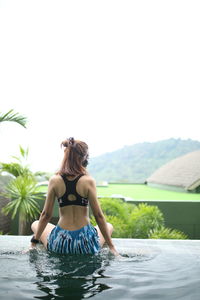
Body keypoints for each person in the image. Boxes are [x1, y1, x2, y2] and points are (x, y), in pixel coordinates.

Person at [30, 137, 119, 256]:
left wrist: (33, 244)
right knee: (108, 226)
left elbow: (46, 215)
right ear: (83, 158)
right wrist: (112, 247)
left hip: (60, 244)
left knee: (35, 224)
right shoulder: (88, 181)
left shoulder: (55, 180)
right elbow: (98, 216)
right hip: (85, 244)